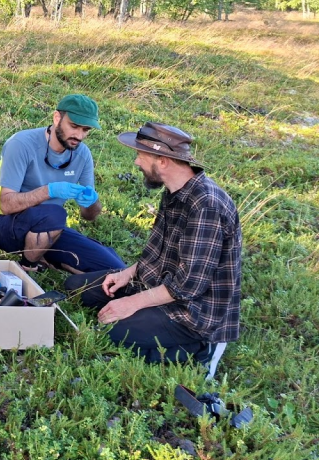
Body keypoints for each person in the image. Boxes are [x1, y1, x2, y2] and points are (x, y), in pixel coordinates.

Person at [64, 123, 242, 373]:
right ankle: (148, 321)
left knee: (111, 332)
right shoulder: (174, 191)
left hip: (192, 312)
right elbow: (161, 252)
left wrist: (131, 303)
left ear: (163, 161)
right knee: (75, 288)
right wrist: (127, 274)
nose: (136, 162)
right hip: (157, 284)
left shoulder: (206, 206)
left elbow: (188, 286)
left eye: (141, 155)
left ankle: (200, 348)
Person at [0, 94, 125, 273]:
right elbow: (6, 205)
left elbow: (89, 216)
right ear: (57, 118)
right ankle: (28, 266)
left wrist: (91, 202)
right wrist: (50, 191)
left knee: (114, 266)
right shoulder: (21, 144)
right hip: (4, 225)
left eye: (86, 129)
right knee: (55, 214)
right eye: (74, 126)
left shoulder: (83, 155)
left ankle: (49, 257)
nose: (79, 135)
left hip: (51, 229)